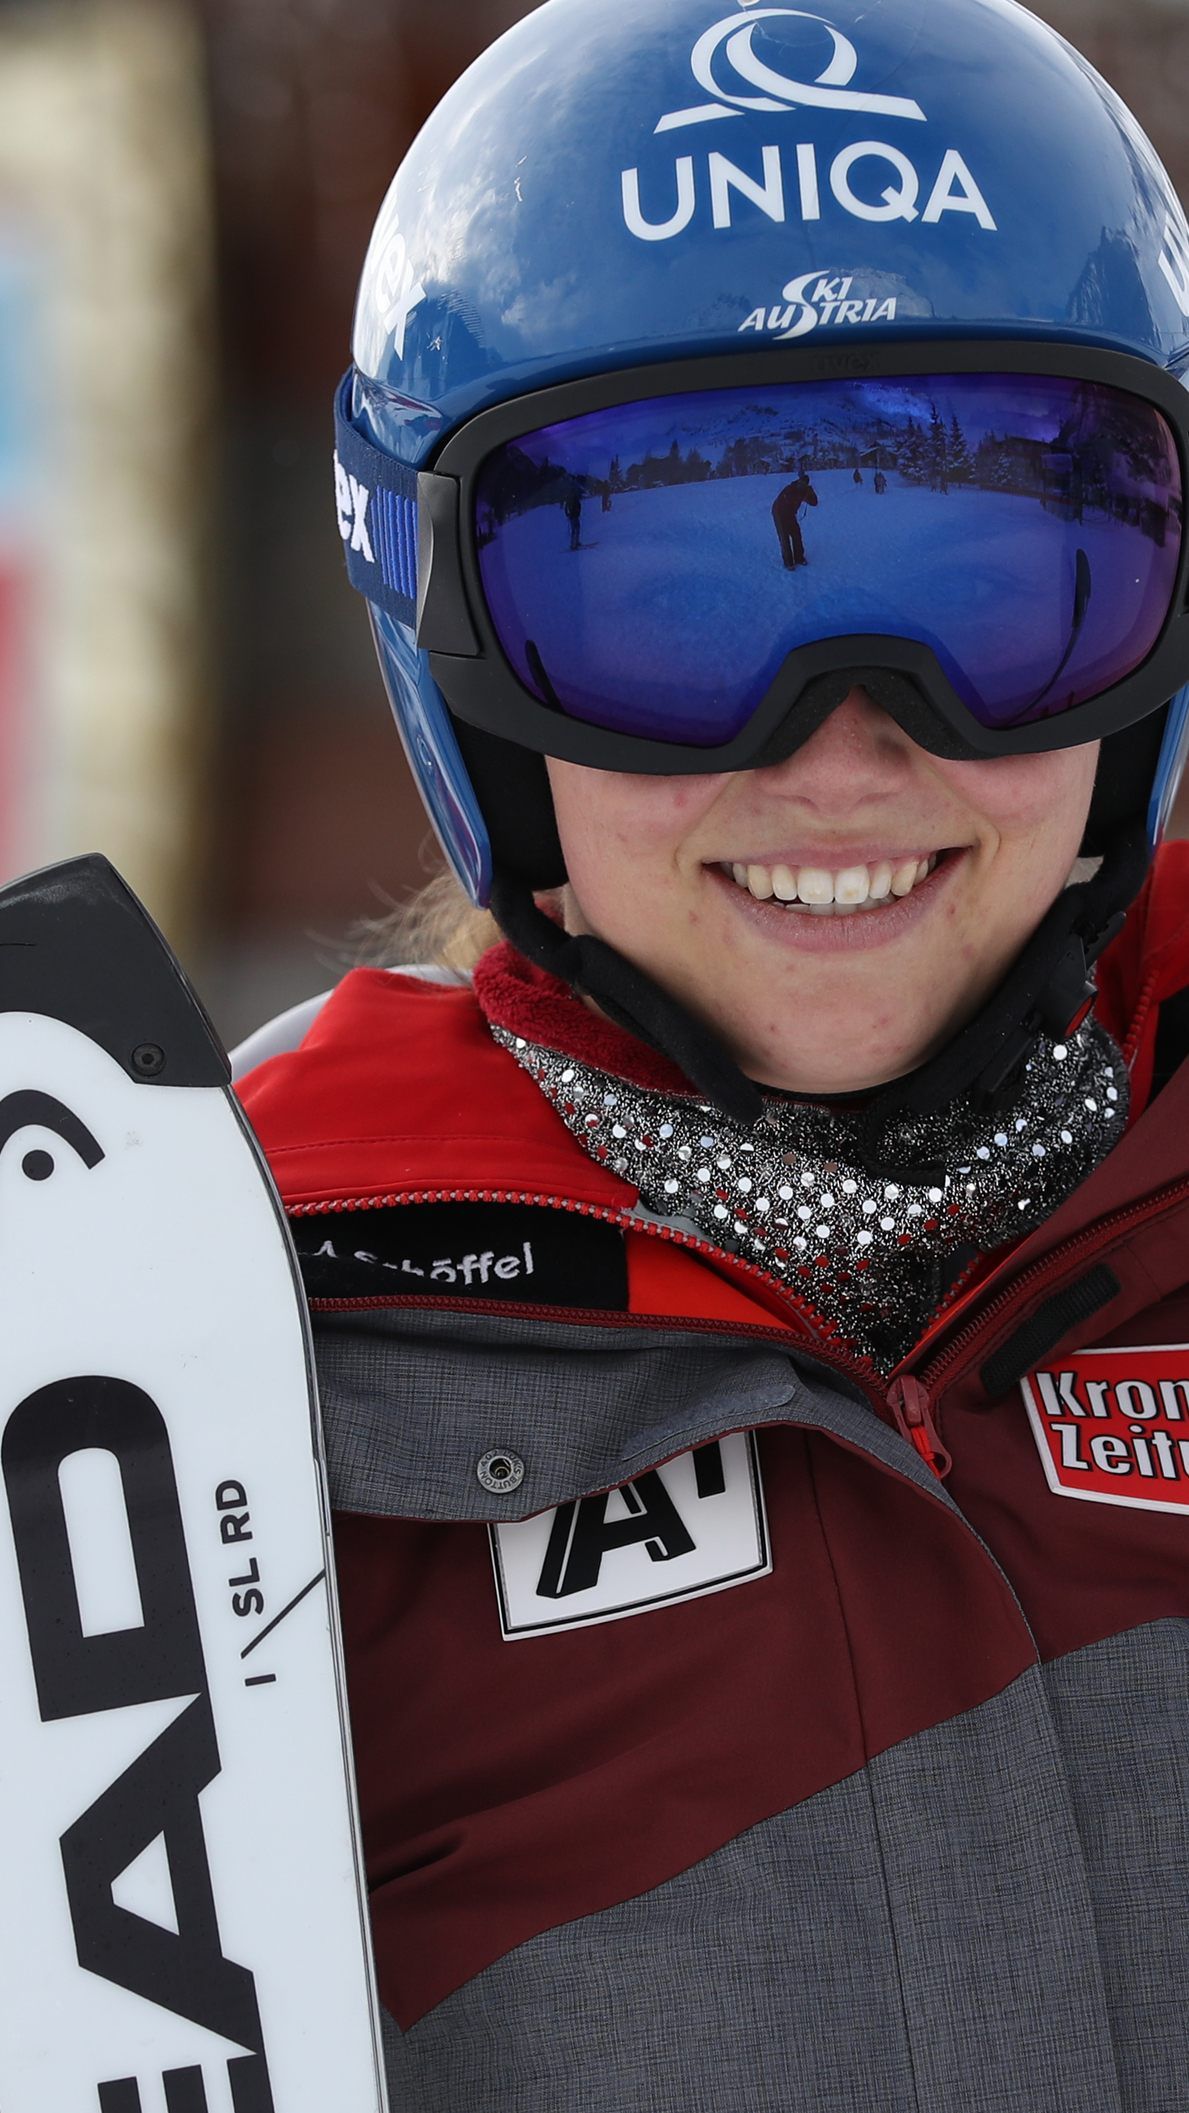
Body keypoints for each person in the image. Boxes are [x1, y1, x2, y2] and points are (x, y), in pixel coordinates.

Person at [242, 0, 1189, 2103]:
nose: (845, 751)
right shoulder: (227, 1385)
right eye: (663, 597)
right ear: (462, 665)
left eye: (998, 569)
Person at [771, 467, 818, 567]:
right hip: (779, 512)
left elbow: (814, 503)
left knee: (796, 534)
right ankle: (788, 562)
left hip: (791, 513)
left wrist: (811, 493)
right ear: (798, 482)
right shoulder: (790, 489)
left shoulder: (805, 491)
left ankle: (799, 558)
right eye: (801, 483)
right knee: (784, 537)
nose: (803, 486)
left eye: (805, 484)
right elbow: (784, 504)